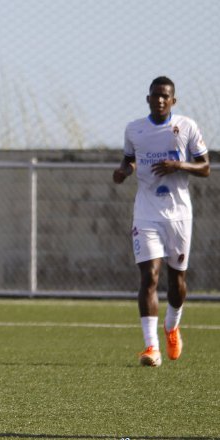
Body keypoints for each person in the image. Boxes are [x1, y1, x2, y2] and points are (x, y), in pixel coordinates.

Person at [113, 76, 210, 367]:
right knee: (149, 277)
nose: (159, 100)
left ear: (173, 101)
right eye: (155, 95)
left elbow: (205, 167)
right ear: (148, 99)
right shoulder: (135, 129)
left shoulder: (187, 126)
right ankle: (151, 347)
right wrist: (123, 172)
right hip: (146, 213)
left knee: (177, 279)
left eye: (165, 96)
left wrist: (178, 165)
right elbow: (129, 159)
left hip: (179, 214)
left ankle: (172, 326)